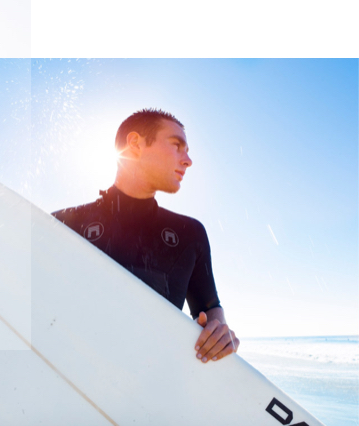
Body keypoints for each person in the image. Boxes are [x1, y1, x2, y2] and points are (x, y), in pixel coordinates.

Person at [51, 108, 239, 363]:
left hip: (150, 386)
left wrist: (219, 333)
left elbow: (209, 308)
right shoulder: (63, 223)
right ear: (135, 144)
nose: (188, 160)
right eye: (177, 145)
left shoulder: (190, 234)